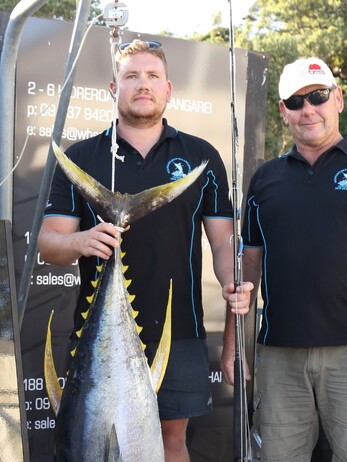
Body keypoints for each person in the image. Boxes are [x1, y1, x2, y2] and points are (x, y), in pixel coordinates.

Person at [38, 39, 251, 462]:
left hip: (180, 329)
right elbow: (49, 243)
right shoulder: (82, 157)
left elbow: (223, 241)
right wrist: (80, 241)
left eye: (153, 76)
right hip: (97, 339)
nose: (143, 84)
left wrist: (233, 284)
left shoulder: (200, 156)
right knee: (92, 446)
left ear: (168, 89)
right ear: (113, 88)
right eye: (131, 76)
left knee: (171, 441)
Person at [221, 57, 347, 461]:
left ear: (338, 99)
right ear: (283, 111)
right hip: (279, 357)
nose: (308, 109)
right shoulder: (265, 178)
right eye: (295, 102)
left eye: (317, 96)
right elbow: (247, 270)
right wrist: (233, 345)